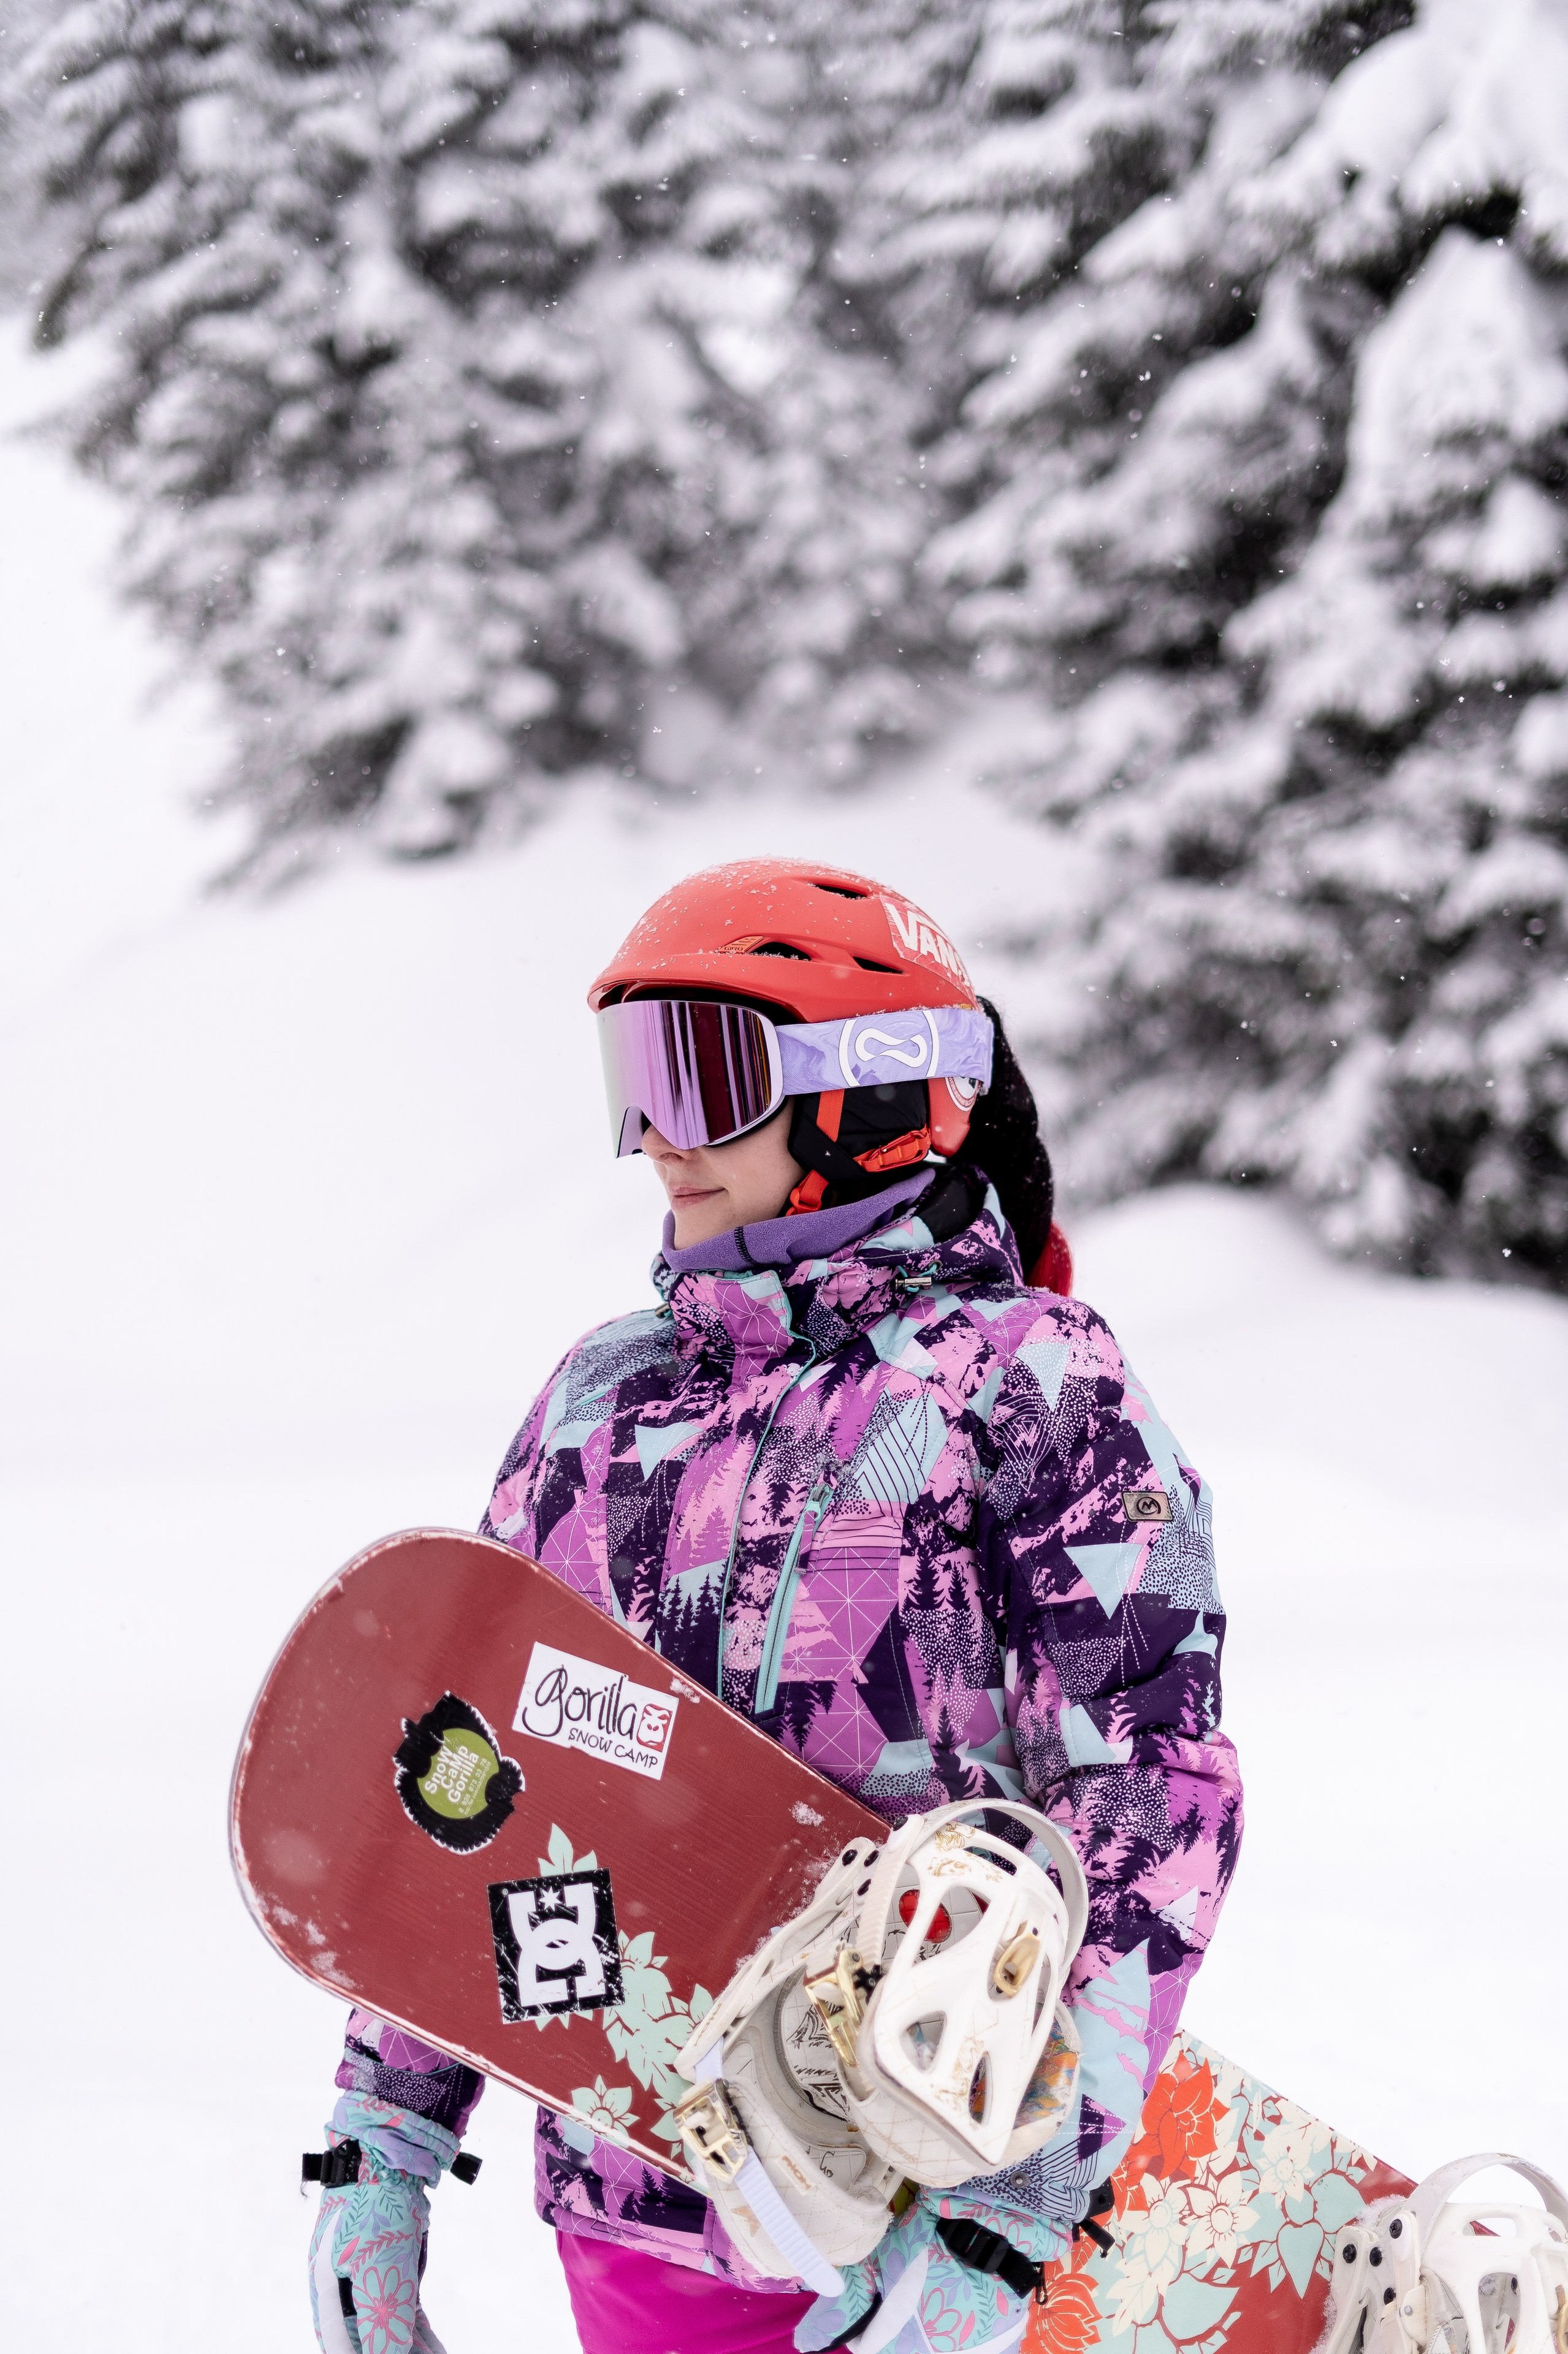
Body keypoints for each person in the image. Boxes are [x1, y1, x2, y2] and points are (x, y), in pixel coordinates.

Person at [307, 859, 1243, 2354]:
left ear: (871, 1093)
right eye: (635, 1079)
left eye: (703, 1074)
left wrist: (1013, 2218)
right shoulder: (601, 1403)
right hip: (630, 2198)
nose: (656, 1135)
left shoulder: (1029, 1387)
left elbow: (1152, 1793)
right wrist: (385, 2137)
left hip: (913, 2218)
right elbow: (484, 1779)